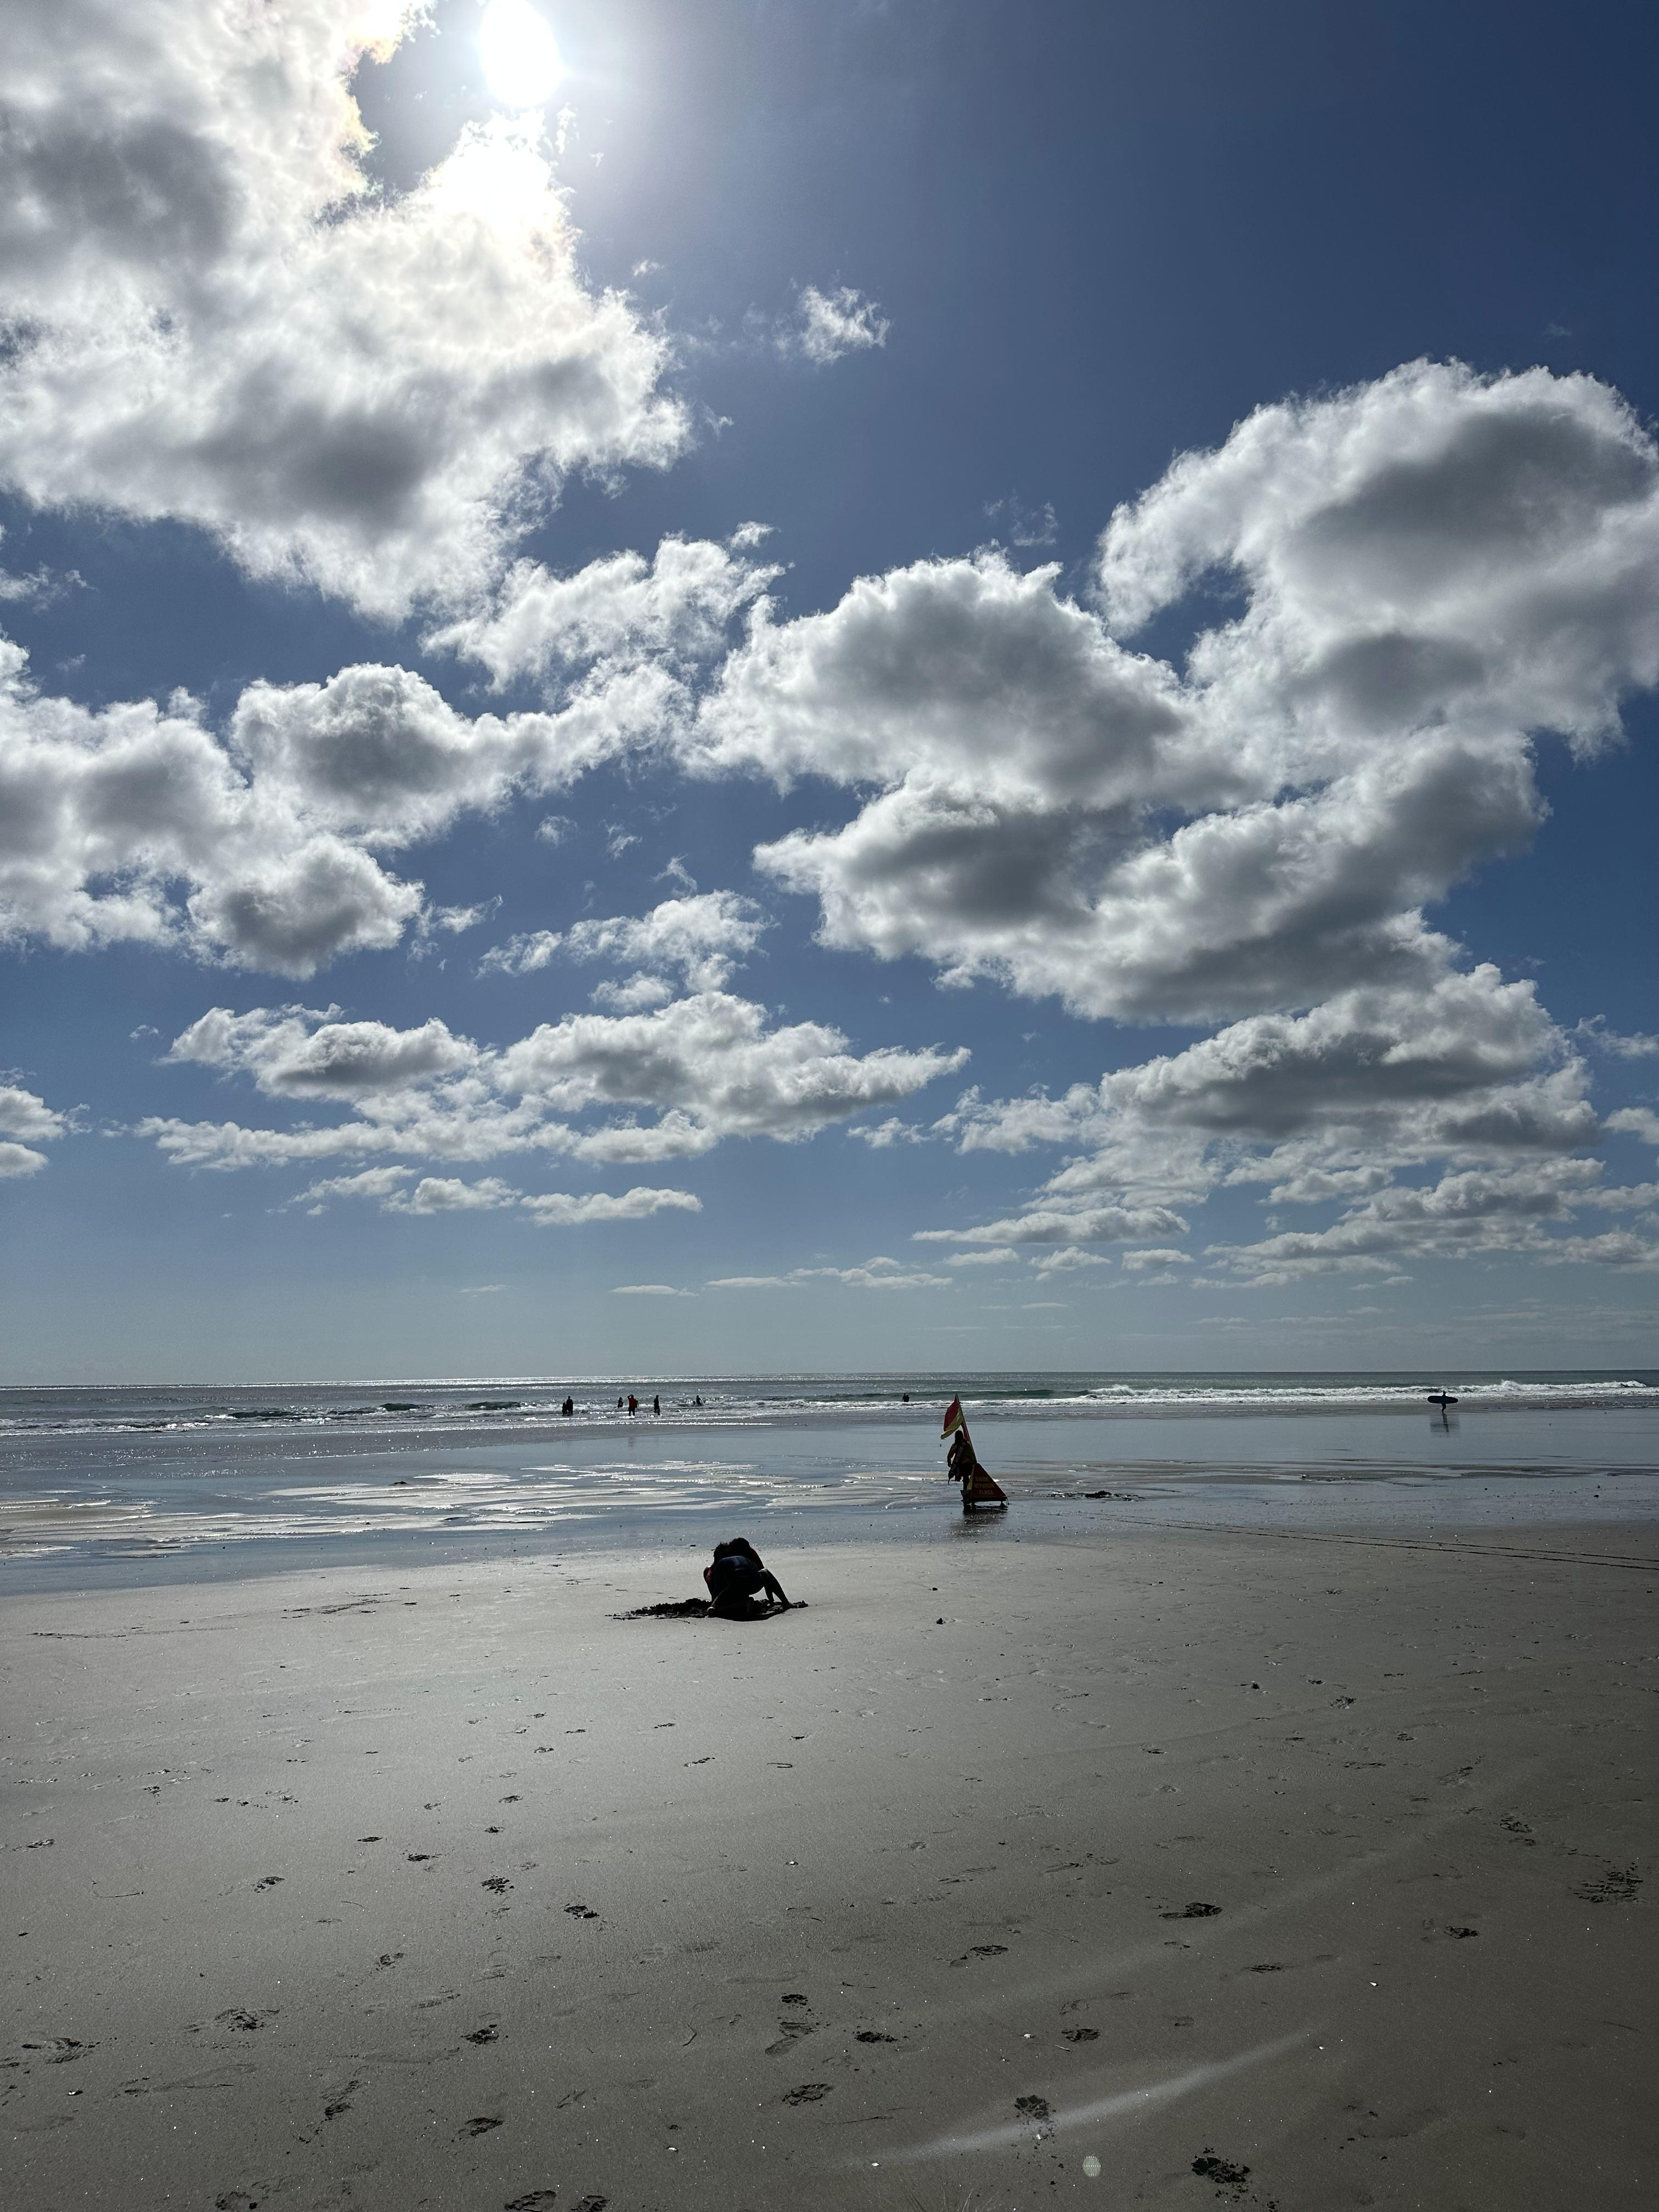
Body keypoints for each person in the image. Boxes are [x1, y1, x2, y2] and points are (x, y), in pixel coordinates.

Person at [703, 1537, 791, 1618]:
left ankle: (743, 1603)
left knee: (726, 1597)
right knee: (766, 1573)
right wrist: (771, 1601)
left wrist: (715, 1603)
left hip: (735, 1586)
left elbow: (721, 1590)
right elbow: (764, 1577)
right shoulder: (743, 1556)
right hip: (752, 1583)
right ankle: (786, 1602)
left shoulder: (723, 1562)